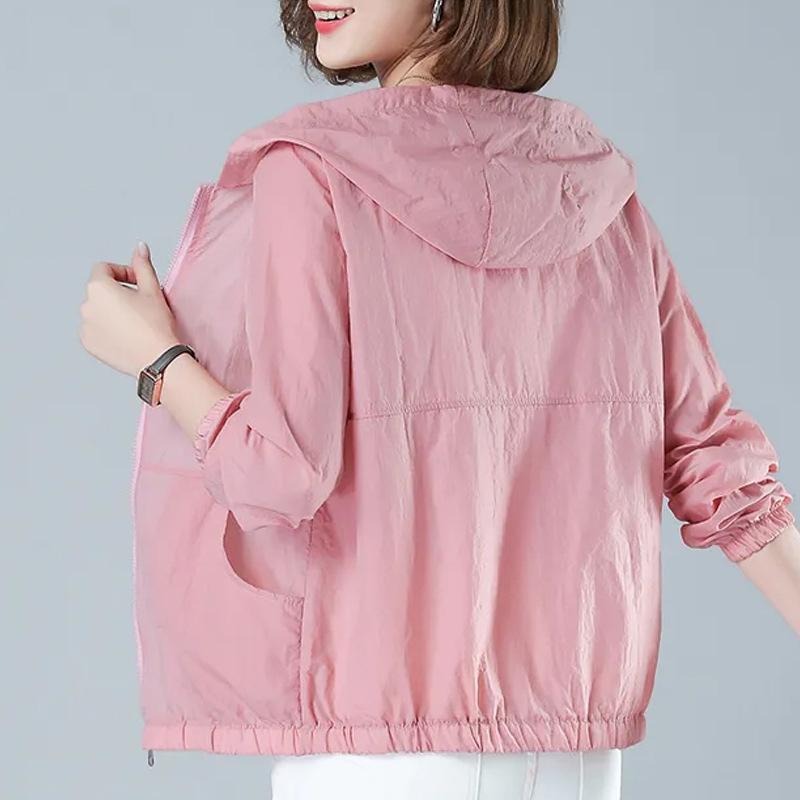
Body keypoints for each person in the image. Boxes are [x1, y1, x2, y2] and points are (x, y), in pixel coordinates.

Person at [78, 1, 800, 798]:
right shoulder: (596, 188)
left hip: (373, 752)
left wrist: (157, 361)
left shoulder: (315, 172)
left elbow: (281, 472)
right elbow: (719, 468)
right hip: (575, 761)